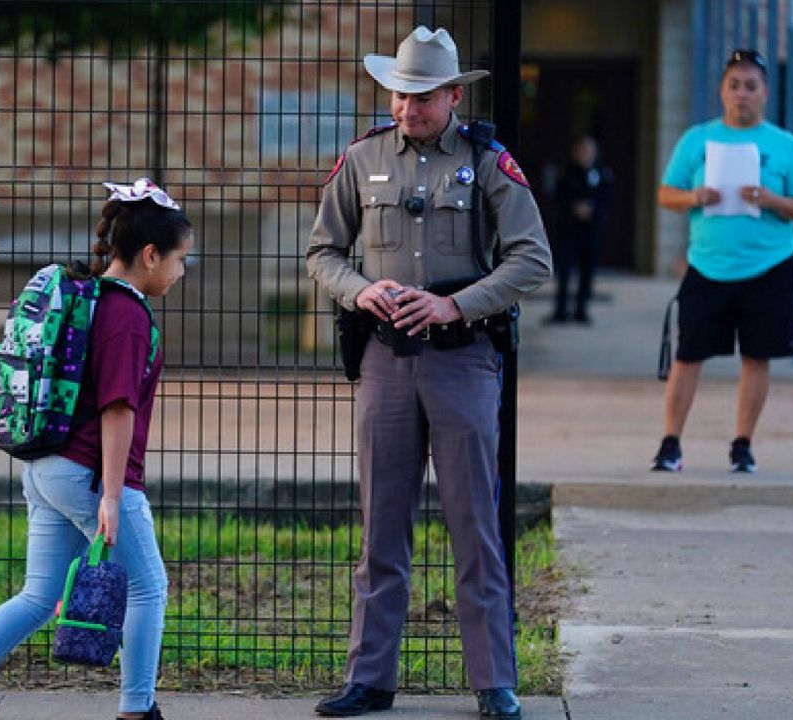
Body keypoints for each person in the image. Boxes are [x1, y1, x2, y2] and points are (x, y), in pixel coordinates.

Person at [306, 26, 552, 720]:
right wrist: (361, 291)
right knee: (381, 525)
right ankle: (370, 678)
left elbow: (532, 260)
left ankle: (494, 682)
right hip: (385, 360)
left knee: (475, 525)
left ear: (451, 95)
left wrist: (452, 303)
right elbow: (323, 251)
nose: (407, 107)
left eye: (421, 96)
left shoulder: (488, 162)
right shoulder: (361, 158)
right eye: (399, 93)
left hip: (463, 359)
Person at [0, 179, 192, 720]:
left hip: (44, 467)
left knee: (39, 596)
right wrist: (111, 493)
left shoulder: (85, 300)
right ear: (150, 255)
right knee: (149, 589)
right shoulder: (128, 316)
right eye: (179, 260)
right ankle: (137, 711)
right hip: (90, 474)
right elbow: (117, 408)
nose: (180, 272)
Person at [653, 49, 793, 473]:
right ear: (722, 92)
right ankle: (671, 443)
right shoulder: (697, 140)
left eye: (750, 87)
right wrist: (694, 197)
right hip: (708, 266)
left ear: (764, 94)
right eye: (734, 86)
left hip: (769, 267)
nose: (741, 94)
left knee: (756, 357)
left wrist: (772, 200)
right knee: (688, 356)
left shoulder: (785, 146)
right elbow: (666, 193)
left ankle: (743, 444)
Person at [549, 135, 612, 323]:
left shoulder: (602, 173)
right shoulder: (566, 172)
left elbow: (606, 200)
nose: (586, 154)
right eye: (582, 150)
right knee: (565, 270)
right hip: (569, 228)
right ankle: (560, 310)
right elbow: (559, 197)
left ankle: (581, 310)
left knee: (587, 270)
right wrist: (573, 208)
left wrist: (591, 210)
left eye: (589, 151)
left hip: (591, 230)